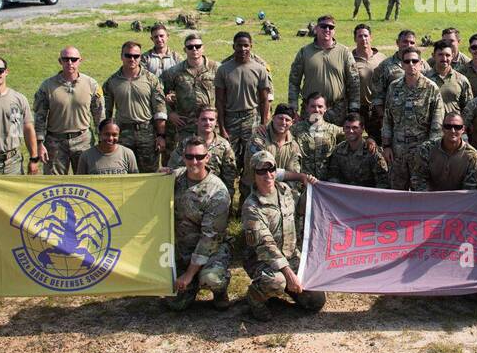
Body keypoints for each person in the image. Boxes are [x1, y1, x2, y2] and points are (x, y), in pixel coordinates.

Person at [242, 151, 325, 321]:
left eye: (271, 169)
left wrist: (309, 190)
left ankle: (286, 287)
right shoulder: (251, 206)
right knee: (276, 282)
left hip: (290, 255)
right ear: (254, 174)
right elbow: (266, 246)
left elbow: (300, 210)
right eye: (261, 171)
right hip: (262, 260)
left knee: (315, 301)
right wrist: (289, 274)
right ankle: (255, 298)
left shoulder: (285, 190)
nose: (268, 175)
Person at [167, 137, 233, 311]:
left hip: (209, 250)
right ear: (183, 157)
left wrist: (189, 274)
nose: (194, 161)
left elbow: (209, 239)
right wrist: (159, 176)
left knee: (211, 279)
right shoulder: (176, 177)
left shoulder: (218, 192)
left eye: (199, 157)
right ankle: (191, 283)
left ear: (207, 158)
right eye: (189, 157)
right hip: (182, 249)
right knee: (176, 304)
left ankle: (219, 290)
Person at [33, 46, 105, 175]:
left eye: (74, 59)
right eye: (65, 59)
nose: (70, 63)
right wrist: (39, 143)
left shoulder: (91, 84)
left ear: (80, 60)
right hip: (55, 143)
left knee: (86, 183)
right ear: (60, 61)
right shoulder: (47, 86)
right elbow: (39, 116)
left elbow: (99, 115)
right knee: (55, 186)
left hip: (83, 141)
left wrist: (102, 139)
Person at [381, 47, 444, 190]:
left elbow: (437, 123)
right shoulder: (394, 87)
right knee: (396, 193)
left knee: (421, 193)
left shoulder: (431, 88)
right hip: (397, 152)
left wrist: (430, 152)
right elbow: (387, 119)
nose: (411, 64)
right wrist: (386, 146)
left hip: (421, 151)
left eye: (414, 61)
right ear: (402, 64)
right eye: (407, 61)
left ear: (421, 63)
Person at [215, 31, 273, 177]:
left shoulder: (260, 69)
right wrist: (221, 128)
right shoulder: (223, 69)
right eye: (239, 45)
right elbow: (219, 101)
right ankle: (228, 189)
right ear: (233, 46)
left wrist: (264, 123)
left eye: (246, 45)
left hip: (251, 118)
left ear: (251, 46)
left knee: (253, 156)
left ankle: (248, 190)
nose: (242, 49)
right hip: (230, 118)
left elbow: (264, 99)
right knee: (229, 158)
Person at [104, 40, 167, 173]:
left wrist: (161, 135)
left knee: (149, 175)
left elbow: (160, 109)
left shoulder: (152, 79)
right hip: (122, 133)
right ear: (122, 56)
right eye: (128, 55)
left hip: (147, 132)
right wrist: (104, 135)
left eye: (136, 56)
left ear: (140, 57)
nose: (132, 59)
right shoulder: (112, 82)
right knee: (123, 173)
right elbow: (106, 112)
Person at [287, 15, 360, 124]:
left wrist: (354, 108)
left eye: (331, 27)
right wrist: (293, 108)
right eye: (323, 26)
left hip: (338, 110)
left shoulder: (344, 52)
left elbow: (354, 81)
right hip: (312, 109)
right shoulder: (304, 52)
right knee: (311, 138)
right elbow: (294, 81)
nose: (327, 30)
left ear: (334, 31)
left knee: (338, 140)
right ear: (316, 29)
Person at [166, 106, 238, 200]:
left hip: (213, 193)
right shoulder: (186, 143)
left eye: (211, 119)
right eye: (204, 119)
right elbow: (173, 168)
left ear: (216, 122)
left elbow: (229, 177)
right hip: (188, 192)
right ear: (197, 121)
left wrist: (228, 199)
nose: (208, 123)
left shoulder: (224, 146)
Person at [161, 33, 217, 145]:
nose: (194, 49)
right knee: (186, 157)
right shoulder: (174, 72)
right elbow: (158, 94)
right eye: (190, 47)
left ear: (203, 48)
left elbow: (226, 94)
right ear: (185, 49)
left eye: (198, 46)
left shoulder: (216, 69)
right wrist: (170, 113)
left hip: (209, 123)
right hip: (185, 125)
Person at [410, 112, 477, 191]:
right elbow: (418, 178)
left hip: (459, 200)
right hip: (430, 198)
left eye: (457, 127)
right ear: (442, 128)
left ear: (463, 129)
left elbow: (470, 188)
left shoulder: (472, 156)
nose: (452, 130)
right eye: (448, 126)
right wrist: (430, 198)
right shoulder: (427, 149)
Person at [325, 112, 390, 187]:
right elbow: (333, 176)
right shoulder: (338, 150)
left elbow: (382, 181)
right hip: (345, 194)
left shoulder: (372, 151)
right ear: (343, 129)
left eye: (355, 127)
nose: (351, 131)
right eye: (347, 127)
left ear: (362, 129)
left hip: (368, 195)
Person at [370, 29, 417, 131]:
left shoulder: (421, 64)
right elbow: (377, 96)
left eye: (412, 42)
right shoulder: (385, 66)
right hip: (393, 120)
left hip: (417, 121)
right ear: (397, 43)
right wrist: (383, 118)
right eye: (405, 41)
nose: (409, 45)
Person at [351, 23, 386, 140]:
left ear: (371, 37)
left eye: (366, 36)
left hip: (378, 107)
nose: (363, 39)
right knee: (355, 139)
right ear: (355, 39)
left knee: (378, 140)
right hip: (359, 107)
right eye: (360, 36)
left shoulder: (381, 57)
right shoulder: (349, 59)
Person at [425, 40, 473, 117]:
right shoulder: (425, 79)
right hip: (430, 126)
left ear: (452, 56)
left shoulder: (461, 80)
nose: (444, 58)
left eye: (447, 55)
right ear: (433, 56)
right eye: (440, 55)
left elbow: (468, 107)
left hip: (453, 126)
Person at [76, 119, 140, 174]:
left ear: (119, 135)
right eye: (107, 134)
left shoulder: (128, 154)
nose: (110, 138)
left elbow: (135, 180)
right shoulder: (86, 156)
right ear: (100, 135)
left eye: (114, 135)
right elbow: (80, 182)